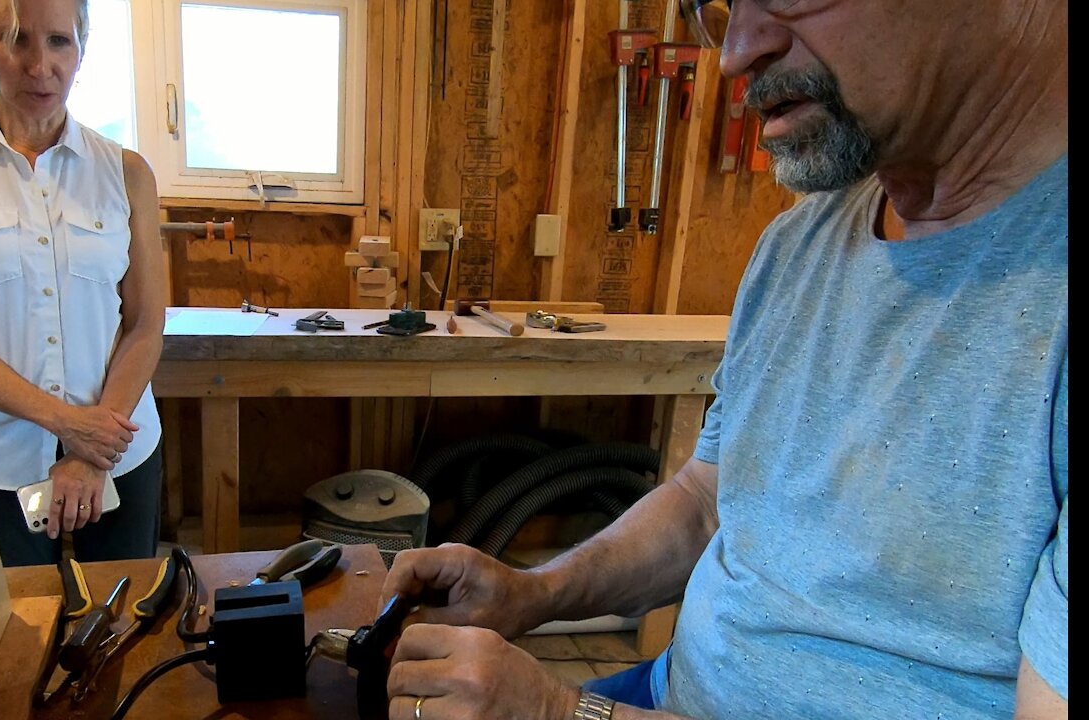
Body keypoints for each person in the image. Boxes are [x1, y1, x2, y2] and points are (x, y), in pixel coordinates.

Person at [379, 1, 1067, 718]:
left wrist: (560, 713)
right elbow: (707, 503)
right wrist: (533, 592)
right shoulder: (798, 245)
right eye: (718, 8)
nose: (736, 52)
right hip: (677, 693)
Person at [0, 0, 166, 567]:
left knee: (121, 621)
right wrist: (67, 423)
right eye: (16, 39)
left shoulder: (127, 172)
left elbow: (144, 324)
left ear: (82, 47)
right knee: (11, 633)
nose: (39, 65)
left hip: (120, 452)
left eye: (59, 42)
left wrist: (94, 448)